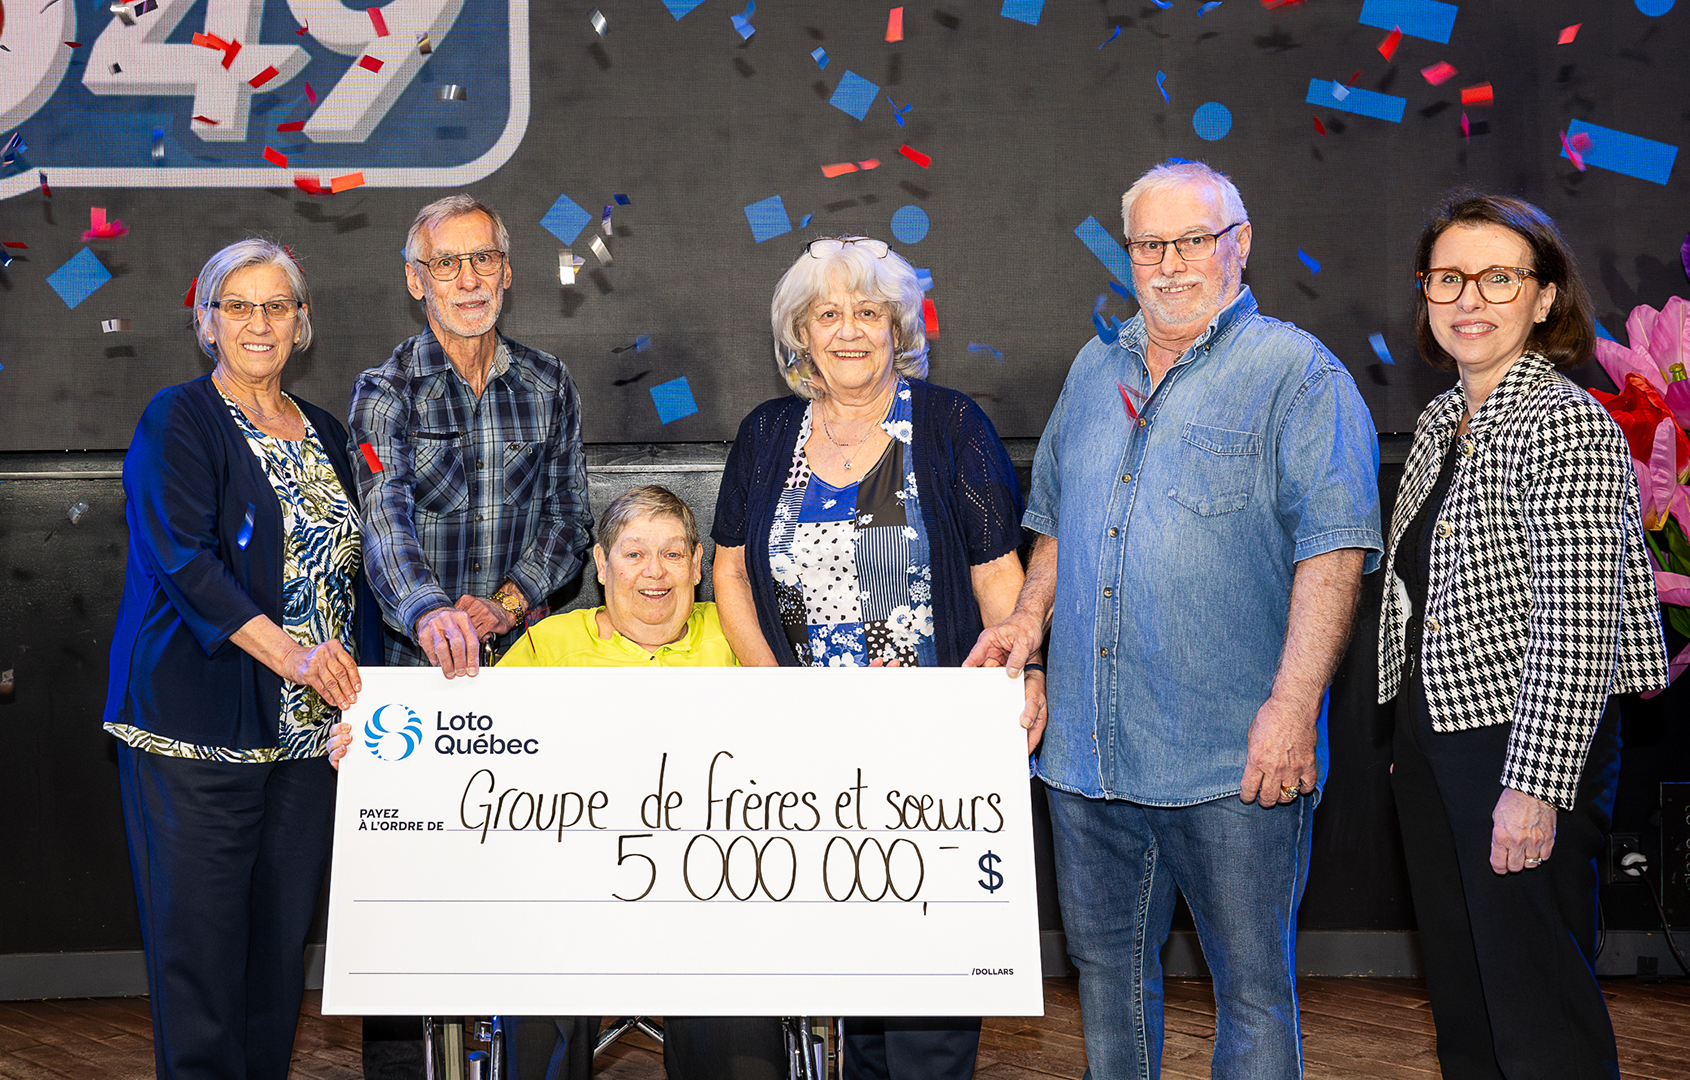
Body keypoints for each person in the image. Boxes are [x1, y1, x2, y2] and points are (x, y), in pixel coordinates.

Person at [969, 160, 1384, 1078]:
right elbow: (1055, 529)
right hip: (1087, 759)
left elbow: (1335, 556)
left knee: (1253, 994)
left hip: (1232, 761)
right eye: (1149, 244)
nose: (1169, 264)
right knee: (1107, 981)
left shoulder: (1298, 375)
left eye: (1192, 240)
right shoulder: (1092, 368)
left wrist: (1292, 710)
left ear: (1240, 244)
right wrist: (1028, 626)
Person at [332, 486, 790, 1080]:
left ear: (700, 564)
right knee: (538, 986)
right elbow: (464, 753)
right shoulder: (548, 646)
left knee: (739, 1015)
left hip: (709, 898)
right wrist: (372, 758)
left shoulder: (739, 641)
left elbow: (799, 740)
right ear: (600, 565)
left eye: (674, 554)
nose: (655, 572)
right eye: (633, 554)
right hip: (565, 899)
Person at [711, 235, 1025, 1080]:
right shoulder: (769, 431)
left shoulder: (951, 423)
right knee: (836, 975)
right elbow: (731, 569)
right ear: (800, 333)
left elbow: (1000, 575)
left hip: (933, 744)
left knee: (928, 986)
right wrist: (774, 693)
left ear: (898, 328)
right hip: (805, 748)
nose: (849, 331)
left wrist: (1021, 685)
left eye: (869, 313)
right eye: (828, 314)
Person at [1377, 193, 1669, 1078]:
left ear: (1544, 298)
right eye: (1449, 277)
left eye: (1498, 278)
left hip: (1524, 743)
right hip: (1442, 742)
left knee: (1535, 1005)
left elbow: (1578, 626)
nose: (1470, 298)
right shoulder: (1440, 421)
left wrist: (1534, 788)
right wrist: (1411, 738)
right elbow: (1422, 593)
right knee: (1467, 998)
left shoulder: (1564, 421)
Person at [104, 238, 372, 1080]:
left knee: (272, 964)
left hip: (304, 747)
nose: (260, 323)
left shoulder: (325, 430)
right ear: (207, 322)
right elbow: (187, 563)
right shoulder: (177, 418)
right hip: (195, 735)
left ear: (303, 323)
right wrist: (296, 658)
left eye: (277, 306)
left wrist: (350, 705)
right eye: (239, 307)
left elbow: (347, 575)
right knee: (202, 970)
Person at [348, 193, 594, 1079]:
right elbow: (384, 521)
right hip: (411, 673)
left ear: (507, 270)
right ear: (417, 282)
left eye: (481, 259)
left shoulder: (550, 383)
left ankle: (536, 1060)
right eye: (445, 264)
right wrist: (430, 611)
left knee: (529, 875)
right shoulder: (384, 390)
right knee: (407, 889)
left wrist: (504, 603)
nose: (467, 278)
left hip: (524, 662)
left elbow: (569, 523)